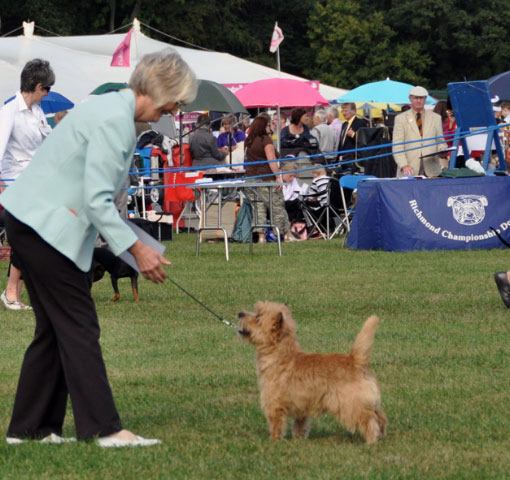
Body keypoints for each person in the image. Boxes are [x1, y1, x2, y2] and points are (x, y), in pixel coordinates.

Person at [0, 49, 197, 447]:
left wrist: (138, 244)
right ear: (160, 90)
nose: (174, 110)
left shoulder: (109, 108)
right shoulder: (115, 122)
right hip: (44, 228)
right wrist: (137, 252)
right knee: (79, 327)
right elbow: (97, 199)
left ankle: (30, 430)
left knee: (54, 329)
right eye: (177, 100)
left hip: (30, 221)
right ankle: (105, 429)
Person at [0, 58, 55, 311]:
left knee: (34, 238)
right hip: (15, 186)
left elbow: (48, 143)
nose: (47, 94)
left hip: (36, 184)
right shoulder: (9, 110)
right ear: (38, 86)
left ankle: (16, 292)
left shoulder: (38, 112)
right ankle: (12, 292)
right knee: (26, 239)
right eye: (47, 89)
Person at [244, 116, 294, 243]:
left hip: (250, 179)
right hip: (265, 179)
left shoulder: (249, 140)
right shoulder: (266, 140)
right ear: (264, 126)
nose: (270, 127)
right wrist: (278, 177)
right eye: (268, 125)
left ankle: (261, 237)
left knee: (258, 208)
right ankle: (286, 234)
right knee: (277, 205)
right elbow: (271, 161)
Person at [392, 86, 447, 178]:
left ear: (425, 99)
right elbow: (397, 146)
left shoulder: (436, 118)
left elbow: (440, 141)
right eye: (415, 98)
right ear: (410, 99)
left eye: (421, 98)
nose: (418, 101)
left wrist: (442, 149)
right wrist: (404, 165)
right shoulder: (400, 119)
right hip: (409, 171)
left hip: (432, 171)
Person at [337, 102, 367, 171]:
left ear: (354, 110)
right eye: (342, 111)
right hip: (343, 159)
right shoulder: (344, 124)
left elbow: (364, 141)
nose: (344, 113)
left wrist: (353, 135)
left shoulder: (360, 123)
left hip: (353, 160)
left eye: (346, 111)